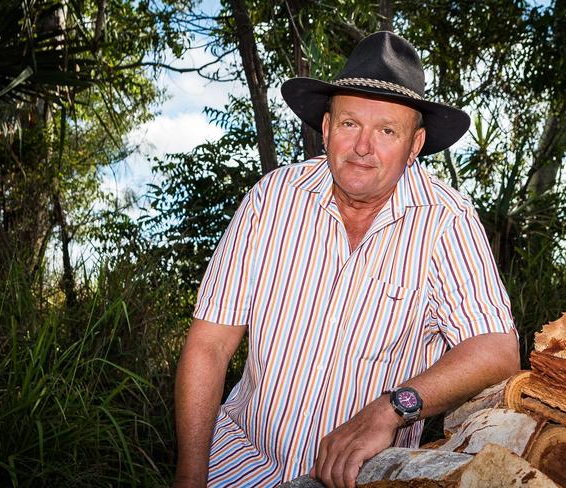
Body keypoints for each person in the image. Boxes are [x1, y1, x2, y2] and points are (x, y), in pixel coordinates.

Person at [174, 31, 519, 488]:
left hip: (359, 479)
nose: (362, 147)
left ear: (414, 146)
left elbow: (497, 350)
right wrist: (191, 474)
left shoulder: (446, 222)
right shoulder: (272, 200)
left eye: (387, 131)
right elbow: (210, 345)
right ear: (326, 127)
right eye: (350, 123)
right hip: (237, 463)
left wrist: (394, 406)